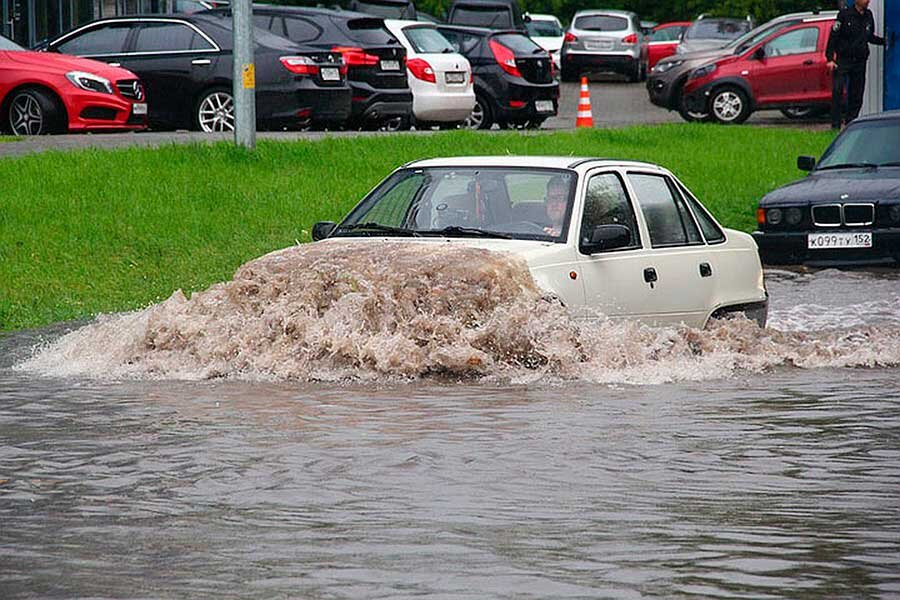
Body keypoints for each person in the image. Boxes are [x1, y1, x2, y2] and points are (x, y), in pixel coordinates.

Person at [825, 0, 885, 129]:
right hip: (843, 60)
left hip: (859, 61)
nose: (867, 1)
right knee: (838, 90)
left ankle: (850, 123)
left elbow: (869, 36)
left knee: (857, 94)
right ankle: (835, 125)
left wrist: (885, 41)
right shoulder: (844, 15)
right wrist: (830, 58)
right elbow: (833, 36)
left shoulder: (868, 15)